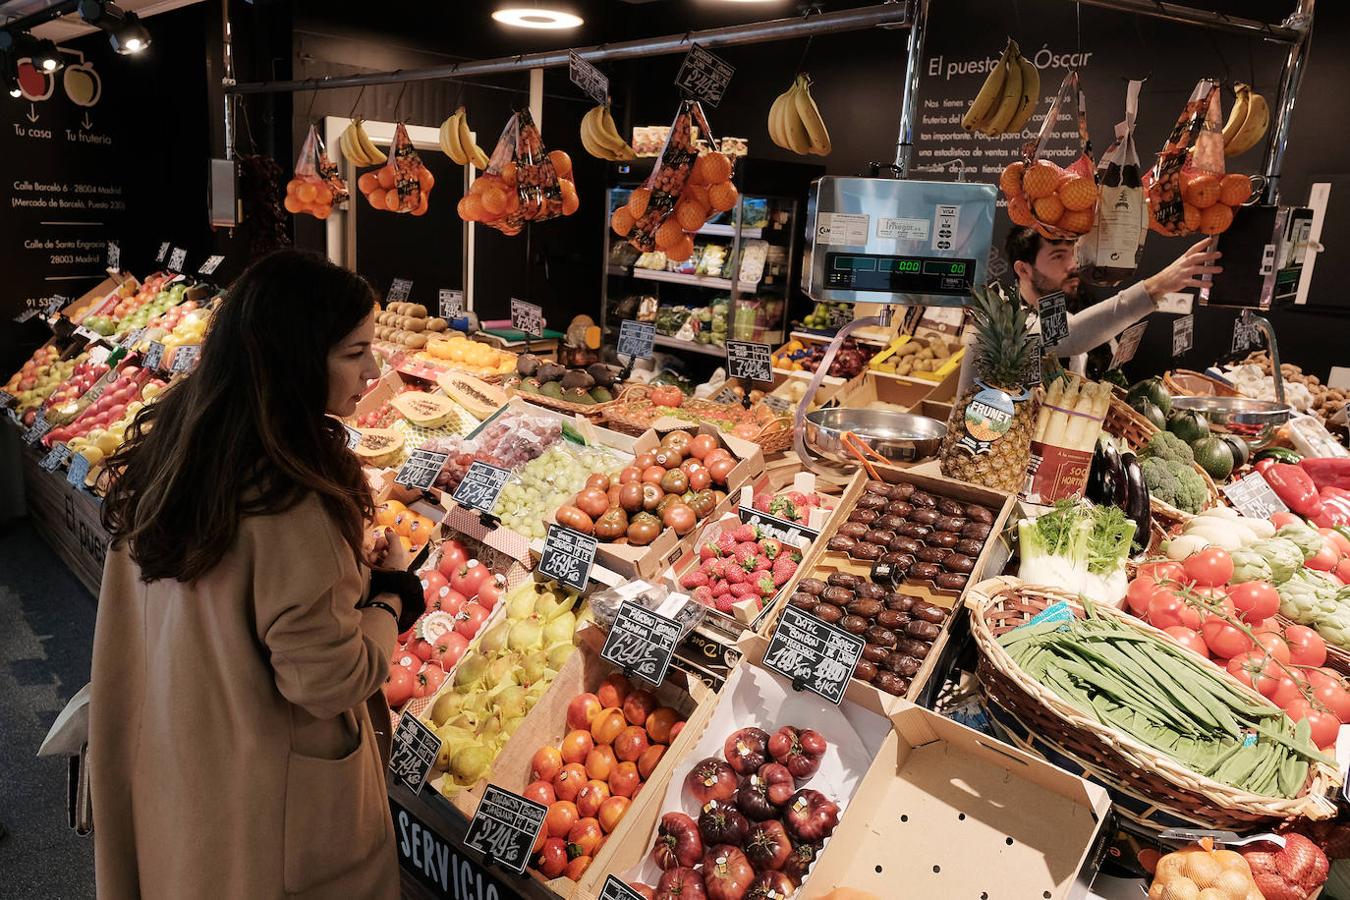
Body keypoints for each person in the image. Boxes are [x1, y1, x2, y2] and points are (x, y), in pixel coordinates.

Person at [91, 251, 421, 899]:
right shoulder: (295, 498)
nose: (375, 371)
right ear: (297, 358)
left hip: (171, 764)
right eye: (356, 353)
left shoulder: (173, 449)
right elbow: (327, 681)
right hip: (264, 816)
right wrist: (391, 599)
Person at [956, 227, 1223, 393]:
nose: (1073, 265)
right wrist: (1156, 286)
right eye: (1058, 256)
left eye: (1073, 253)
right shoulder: (1002, 317)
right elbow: (1072, 336)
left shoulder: (1052, 307)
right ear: (1023, 269)